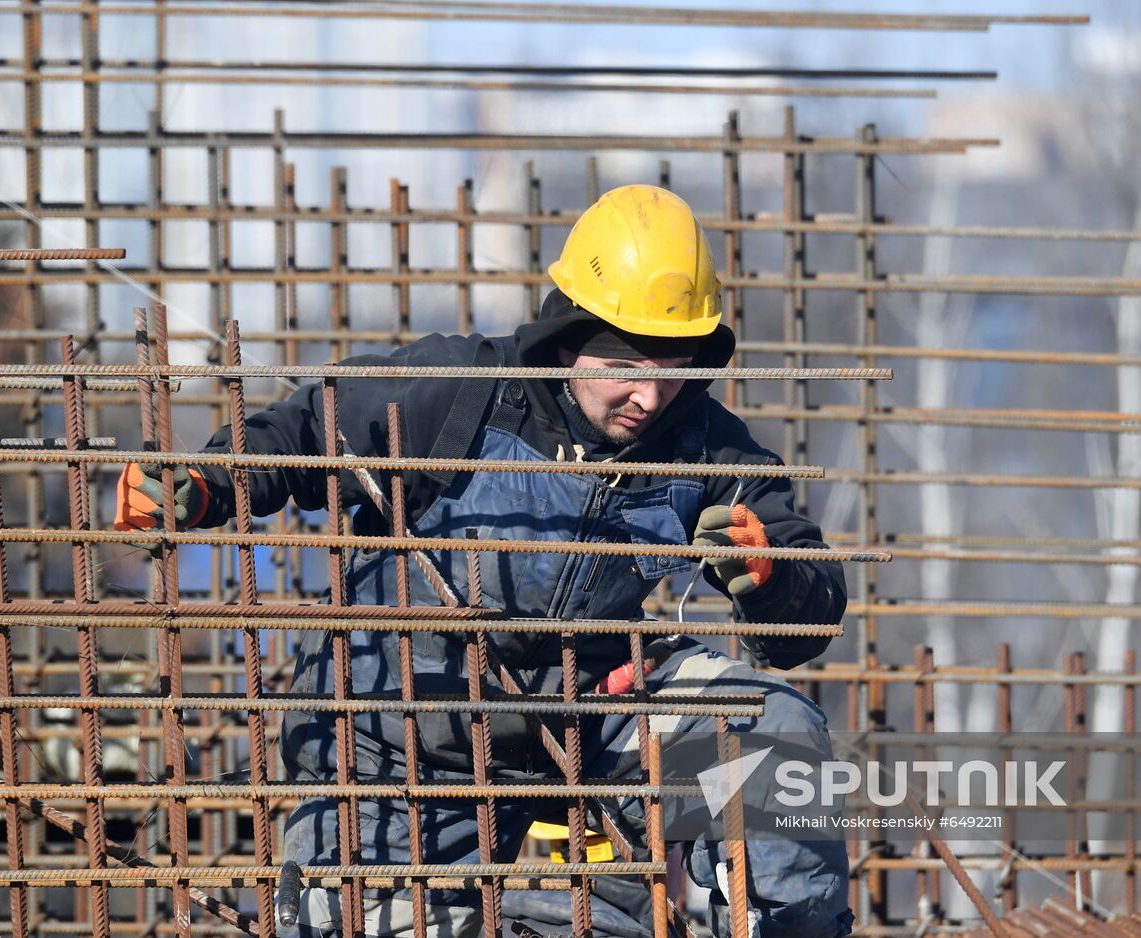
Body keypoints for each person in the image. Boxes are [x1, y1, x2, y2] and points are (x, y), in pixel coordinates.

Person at [115, 185, 852, 937]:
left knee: (773, 729)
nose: (651, 394)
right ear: (569, 336)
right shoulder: (460, 391)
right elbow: (300, 430)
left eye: (675, 365)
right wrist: (203, 484)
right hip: (395, 736)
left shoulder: (706, 443)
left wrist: (775, 578)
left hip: (585, 714)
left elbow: (810, 606)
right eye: (628, 364)